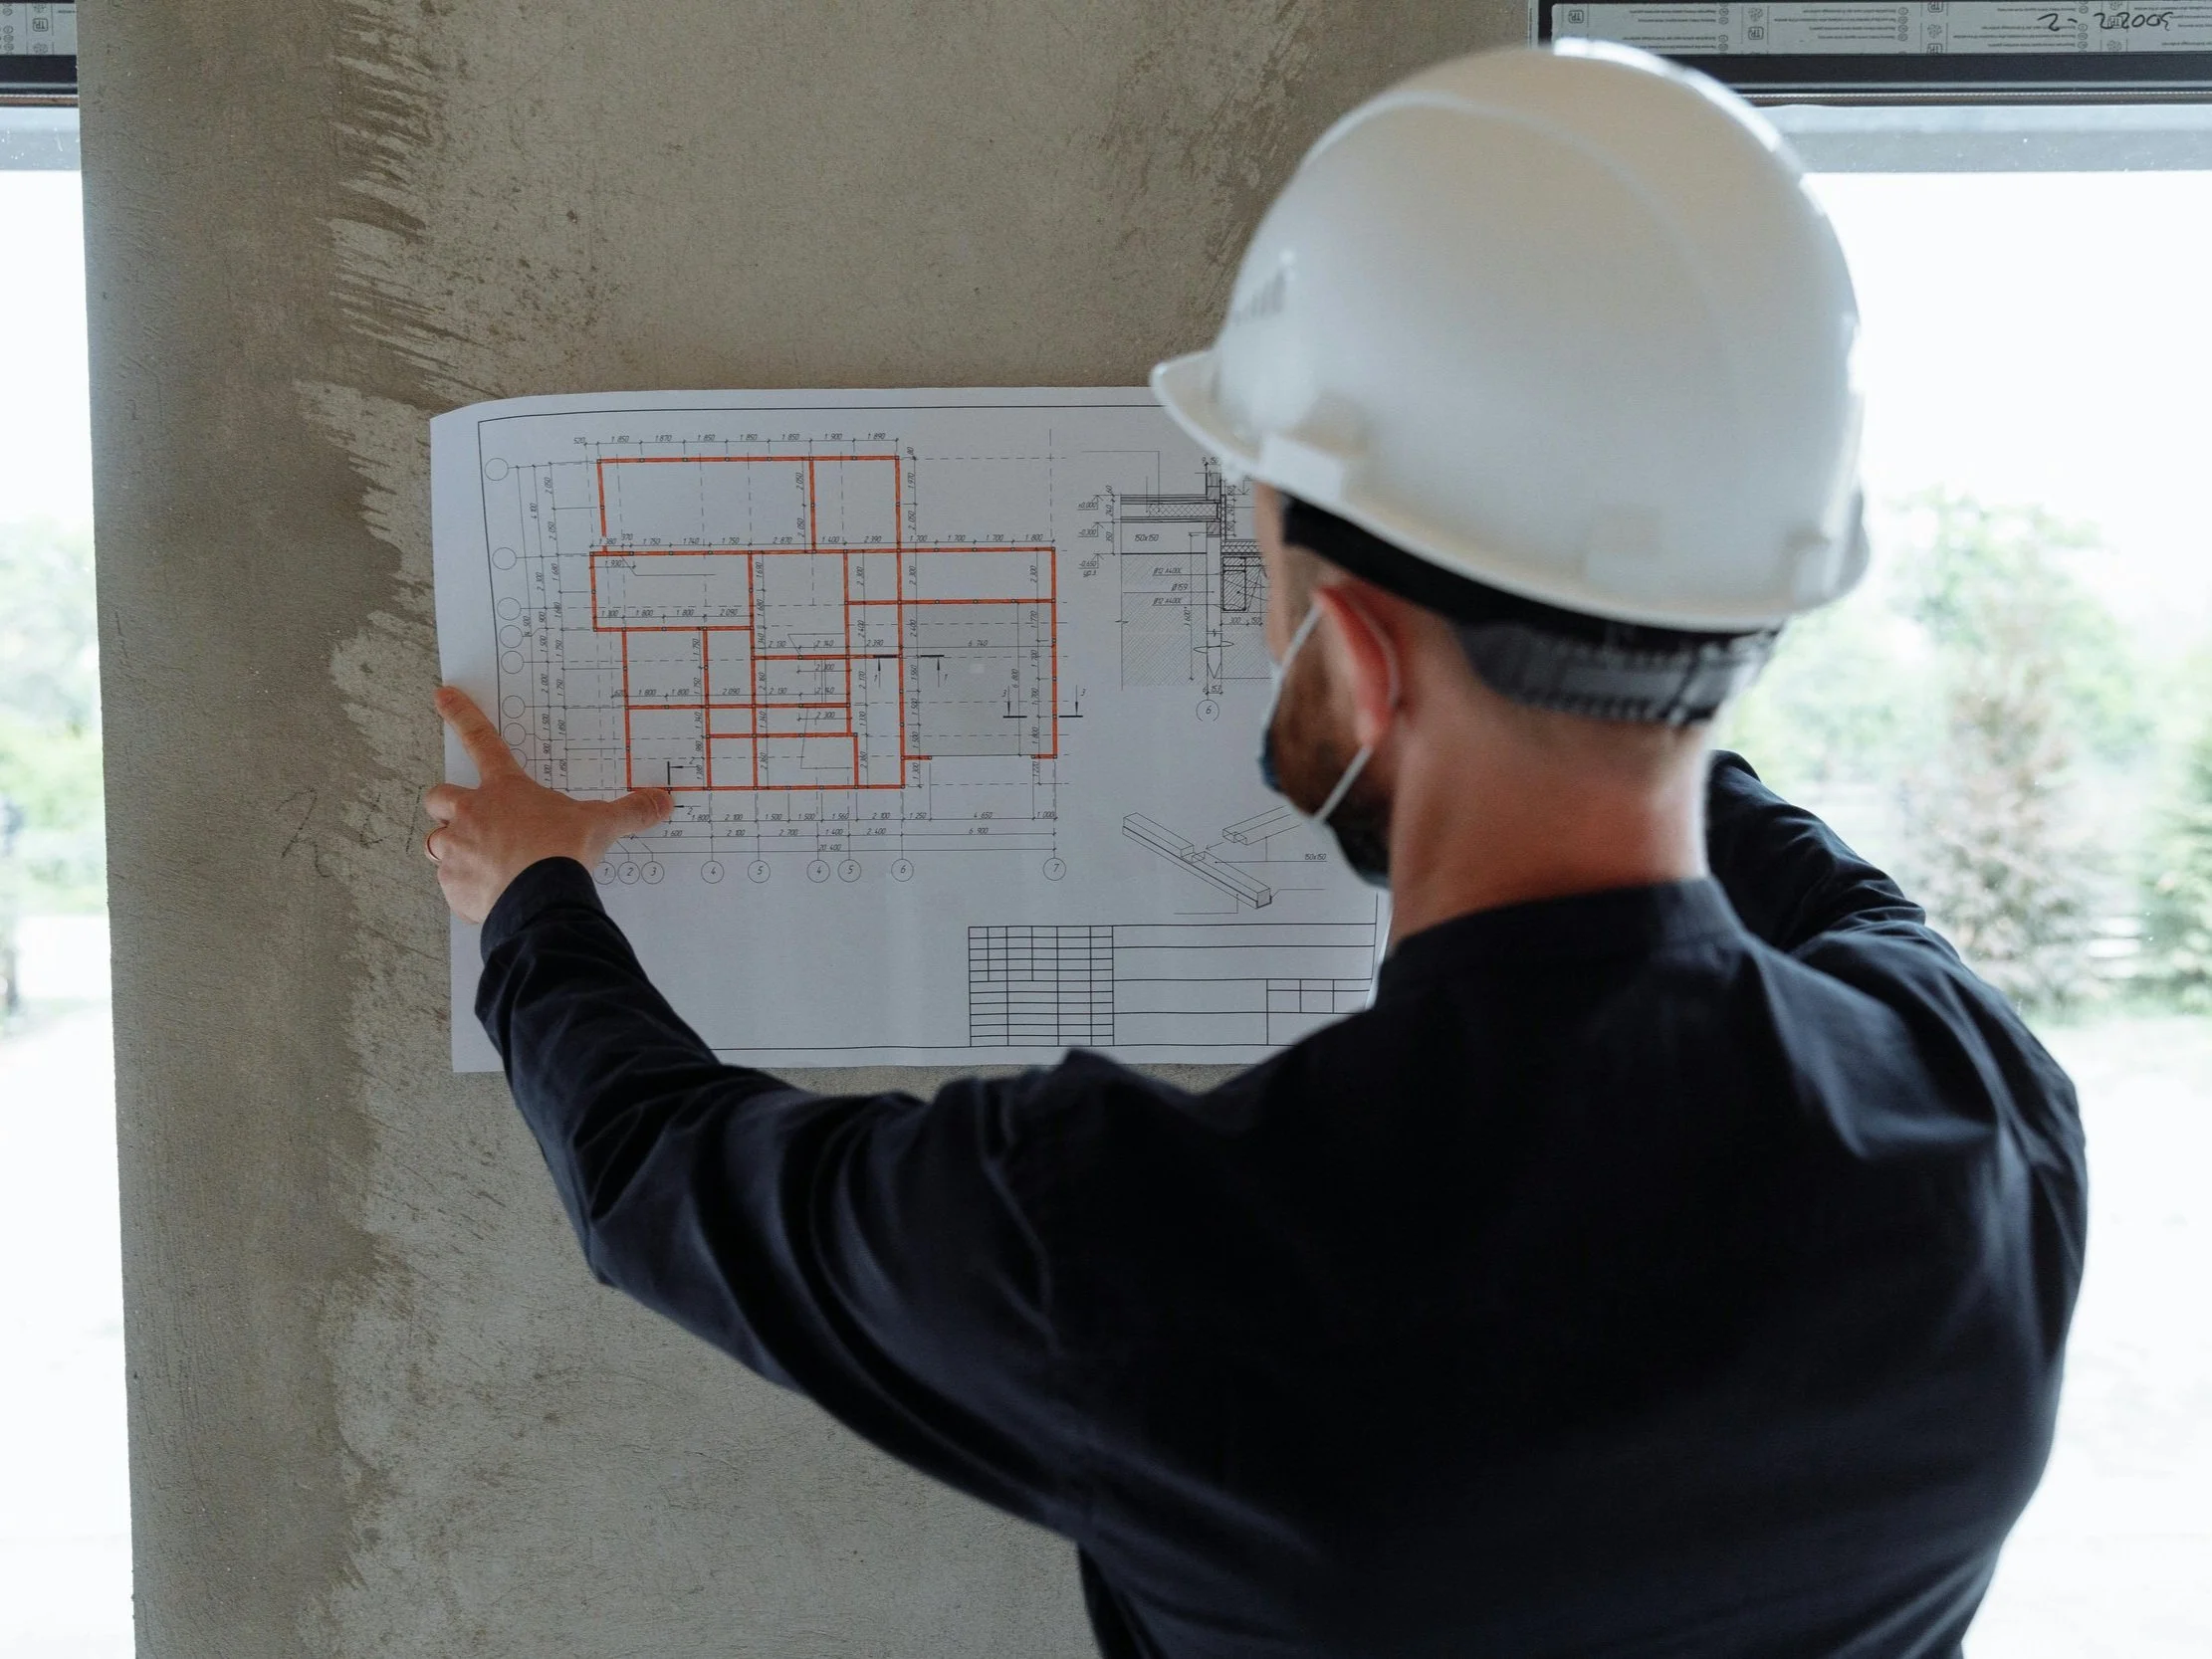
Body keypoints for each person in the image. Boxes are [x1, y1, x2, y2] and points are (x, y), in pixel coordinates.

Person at [422, 43, 2084, 1659]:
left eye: (1269, 581)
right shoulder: (1980, 1125)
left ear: (1358, 662)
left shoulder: (1151, 1250)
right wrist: (1600, 691)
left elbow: (661, 1183)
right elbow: (1841, 898)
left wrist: (526, 891)